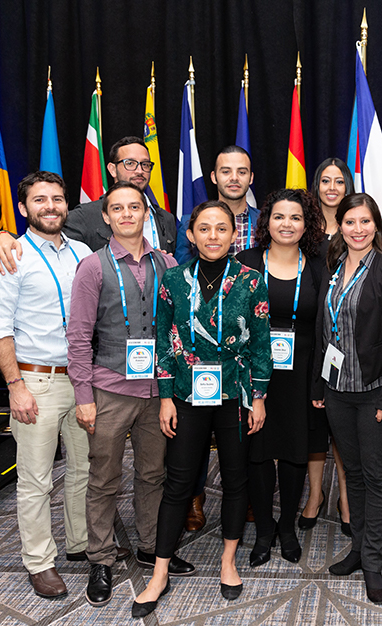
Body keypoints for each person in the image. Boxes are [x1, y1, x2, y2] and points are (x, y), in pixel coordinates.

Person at [132, 200, 271, 617]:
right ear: (191, 236)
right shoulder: (172, 280)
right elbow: (162, 340)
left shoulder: (251, 281)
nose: (213, 236)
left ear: (234, 235)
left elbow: (262, 343)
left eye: (222, 229)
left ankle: (228, 561)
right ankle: (159, 572)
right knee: (177, 483)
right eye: (204, 229)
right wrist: (166, 396)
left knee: (234, 478)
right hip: (187, 396)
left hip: (235, 395)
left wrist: (259, 395)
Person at [66, 182, 192, 608]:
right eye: (116, 209)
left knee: (153, 475)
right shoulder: (93, 267)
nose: (125, 215)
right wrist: (84, 395)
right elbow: (79, 336)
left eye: (133, 207)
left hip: (157, 393)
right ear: (106, 217)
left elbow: (176, 329)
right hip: (109, 391)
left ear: (145, 213)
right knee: (103, 479)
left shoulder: (168, 262)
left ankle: (151, 546)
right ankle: (100, 559)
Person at [0, 172, 92, 599]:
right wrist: (15, 385)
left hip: (80, 381)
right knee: (36, 479)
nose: (51, 206)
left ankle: (80, 543)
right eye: (40, 200)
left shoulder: (82, 252)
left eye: (58, 199)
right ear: (25, 207)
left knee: (84, 470)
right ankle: (39, 561)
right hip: (35, 381)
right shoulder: (11, 254)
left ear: (68, 206)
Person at [312, 193, 382, 604]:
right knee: (351, 474)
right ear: (342, 226)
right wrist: (320, 388)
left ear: (376, 226)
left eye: (365, 222)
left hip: (377, 394)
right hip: (338, 392)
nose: (357, 229)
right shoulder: (333, 269)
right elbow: (326, 333)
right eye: (350, 222)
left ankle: (373, 560)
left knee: (376, 476)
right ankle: (356, 549)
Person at [236, 188, 325, 566]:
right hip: (254, 374)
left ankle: (287, 527)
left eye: (295, 218)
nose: (286, 224)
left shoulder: (320, 265)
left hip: (301, 373)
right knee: (256, 454)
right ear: (266, 221)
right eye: (279, 217)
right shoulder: (245, 261)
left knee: (293, 452)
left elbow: (328, 325)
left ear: (306, 225)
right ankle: (264, 530)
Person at [181, 145, 262, 530]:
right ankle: (194, 498)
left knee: (248, 430)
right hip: (200, 347)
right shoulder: (195, 220)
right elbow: (182, 281)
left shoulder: (268, 220)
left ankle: (244, 498)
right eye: (225, 171)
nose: (234, 178)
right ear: (213, 177)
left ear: (251, 177)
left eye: (241, 171)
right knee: (193, 433)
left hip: (248, 345)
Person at [0, 137, 177, 275]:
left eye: (145, 164)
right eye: (130, 163)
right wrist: (2, 235)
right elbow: (47, 231)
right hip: (108, 318)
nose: (139, 170)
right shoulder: (87, 215)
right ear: (112, 169)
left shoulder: (165, 218)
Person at [299, 158, 356, 537]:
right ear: (315, 185)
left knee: (344, 426)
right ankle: (316, 495)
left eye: (339, 181)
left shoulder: (356, 225)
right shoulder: (304, 227)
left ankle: (347, 498)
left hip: (346, 338)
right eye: (325, 180)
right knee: (314, 423)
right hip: (307, 337)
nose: (332, 187)